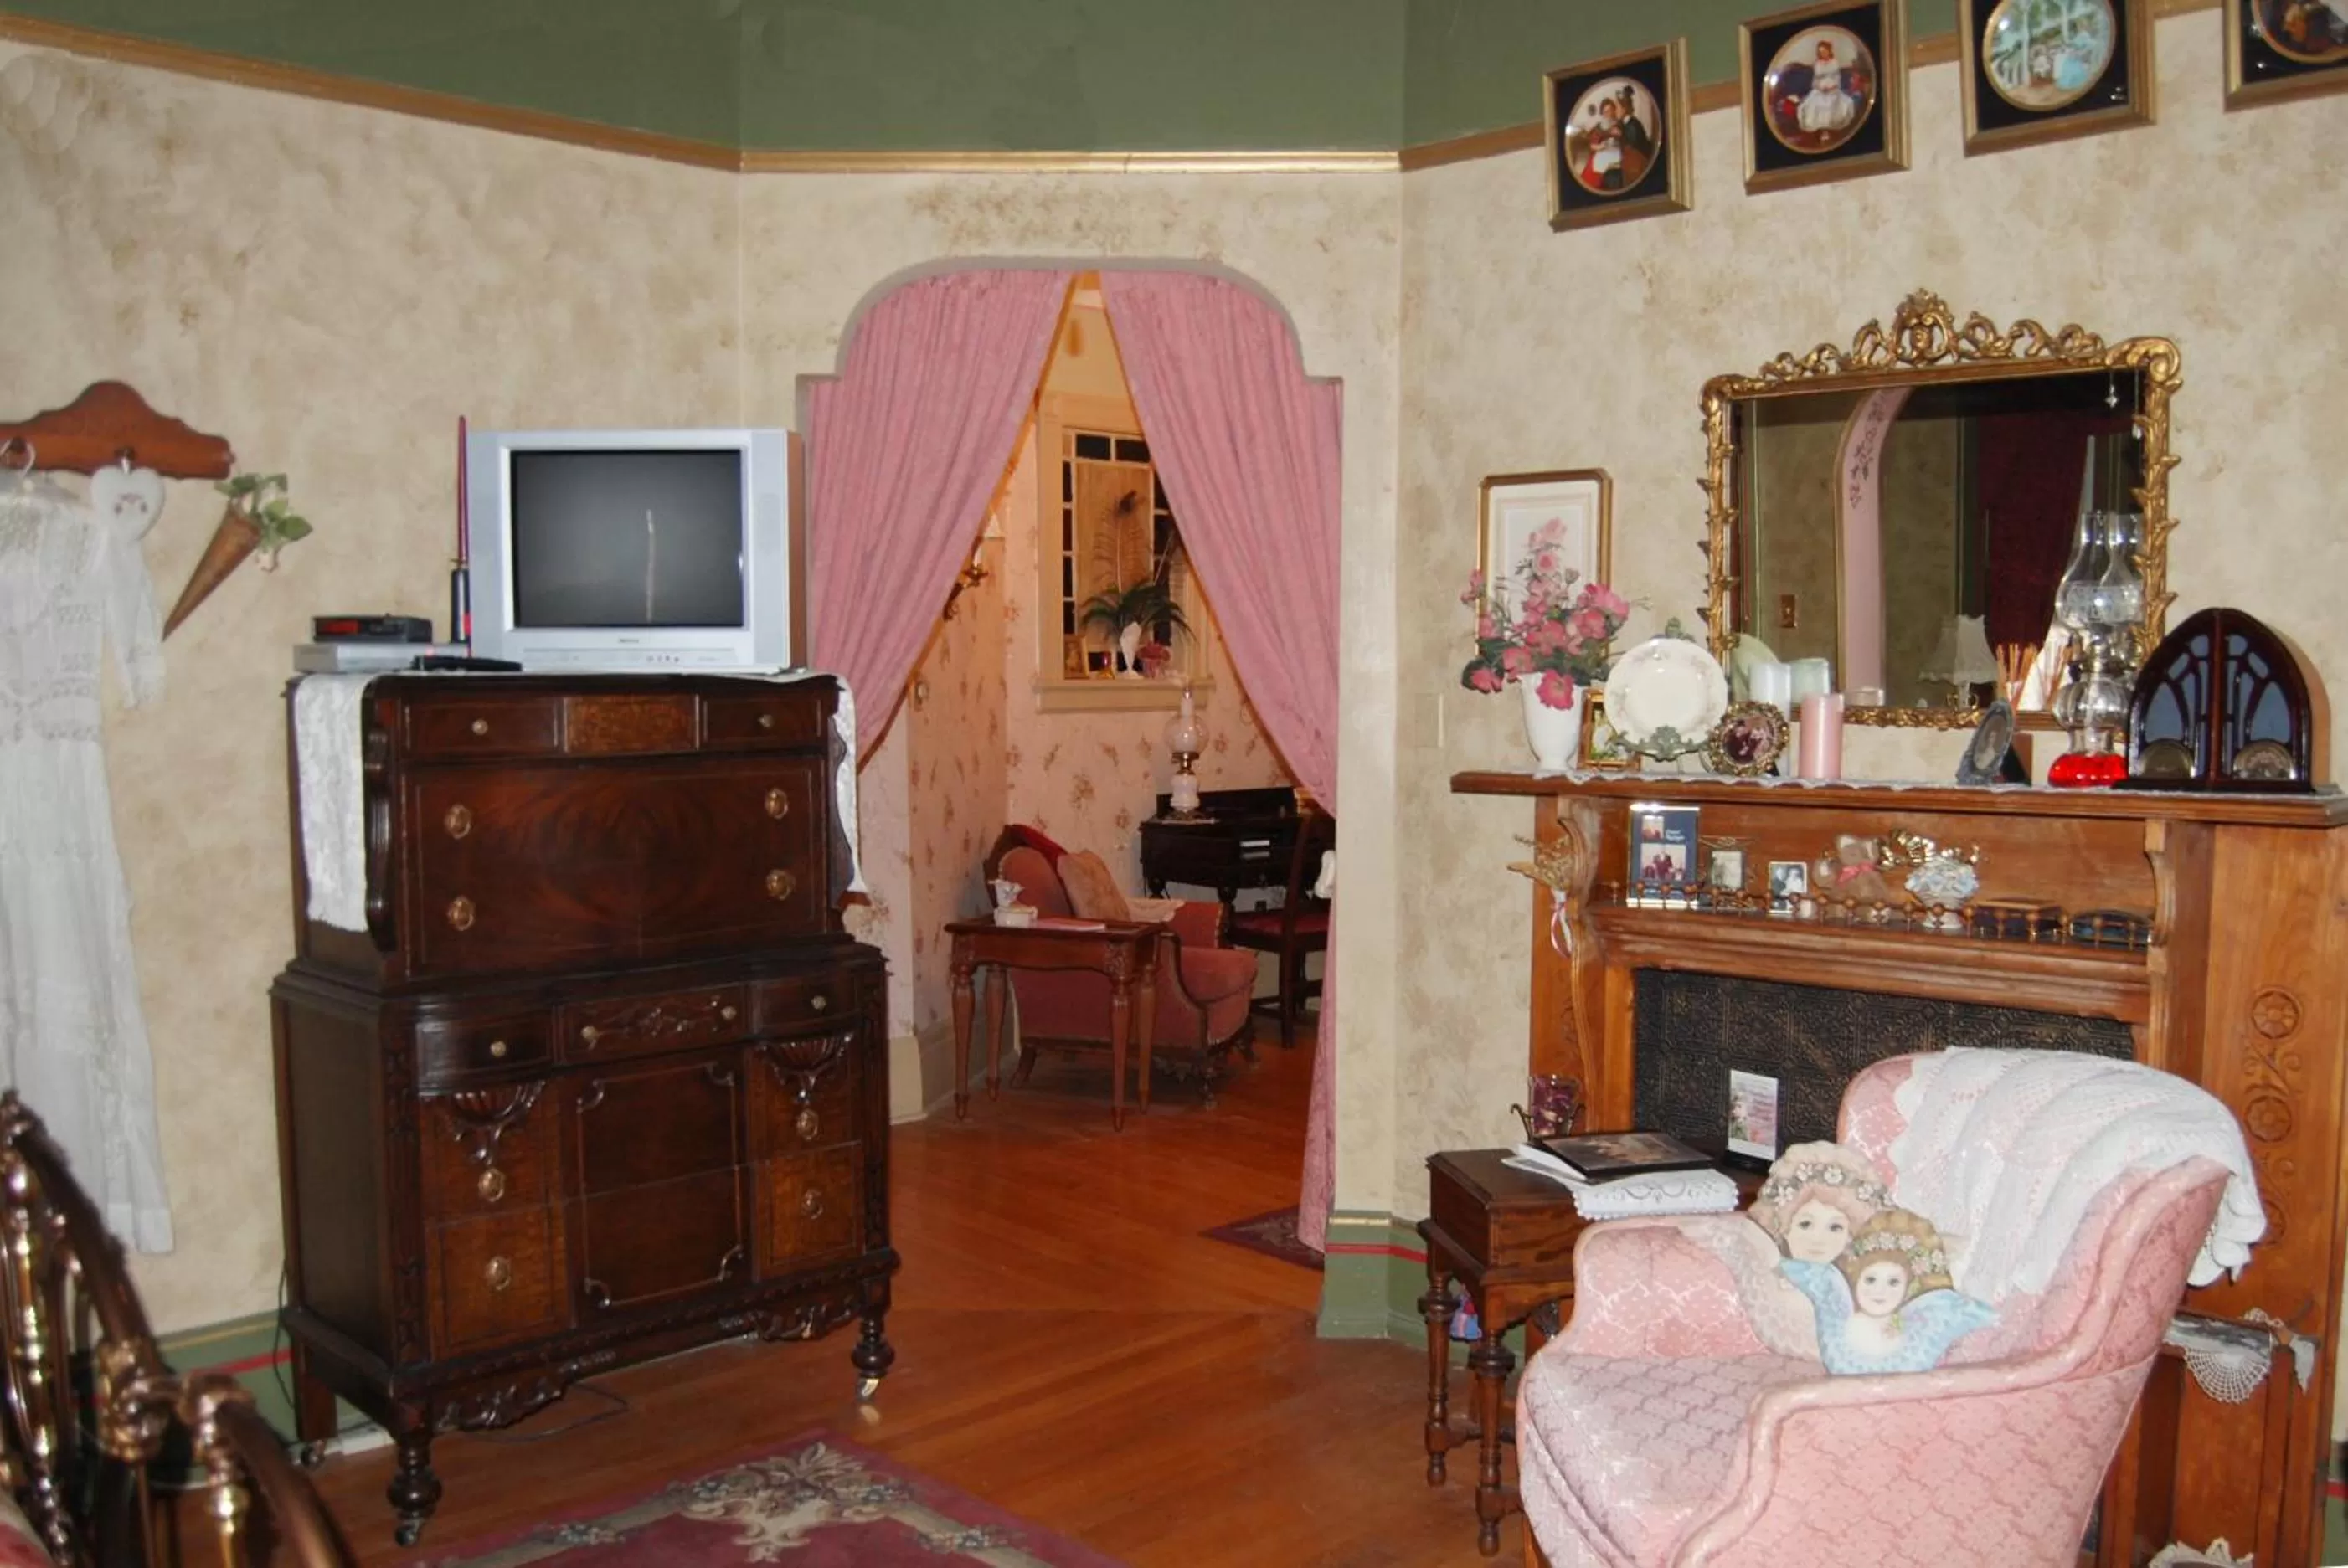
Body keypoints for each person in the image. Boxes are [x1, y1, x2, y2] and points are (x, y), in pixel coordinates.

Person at [1797, 39, 1858, 138]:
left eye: (1825, 51)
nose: (1823, 53)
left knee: (1837, 103)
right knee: (1813, 104)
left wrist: (1832, 87)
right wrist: (1820, 87)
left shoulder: (1834, 62)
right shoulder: (1817, 64)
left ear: (1829, 51)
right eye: (1820, 52)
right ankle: (1822, 130)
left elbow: (1837, 77)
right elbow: (1815, 79)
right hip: (1820, 88)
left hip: (1832, 87)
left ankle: (1830, 129)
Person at [1579, 98, 1625, 192]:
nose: (1608, 114)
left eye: (1610, 111)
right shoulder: (1598, 128)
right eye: (1606, 111)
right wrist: (1602, 146)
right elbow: (1592, 146)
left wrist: (1620, 135)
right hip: (1601, 153)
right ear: (1602, 113)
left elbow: (1624, 141)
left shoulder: (1619, 124)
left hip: (1616, 154)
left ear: (1614, 111)